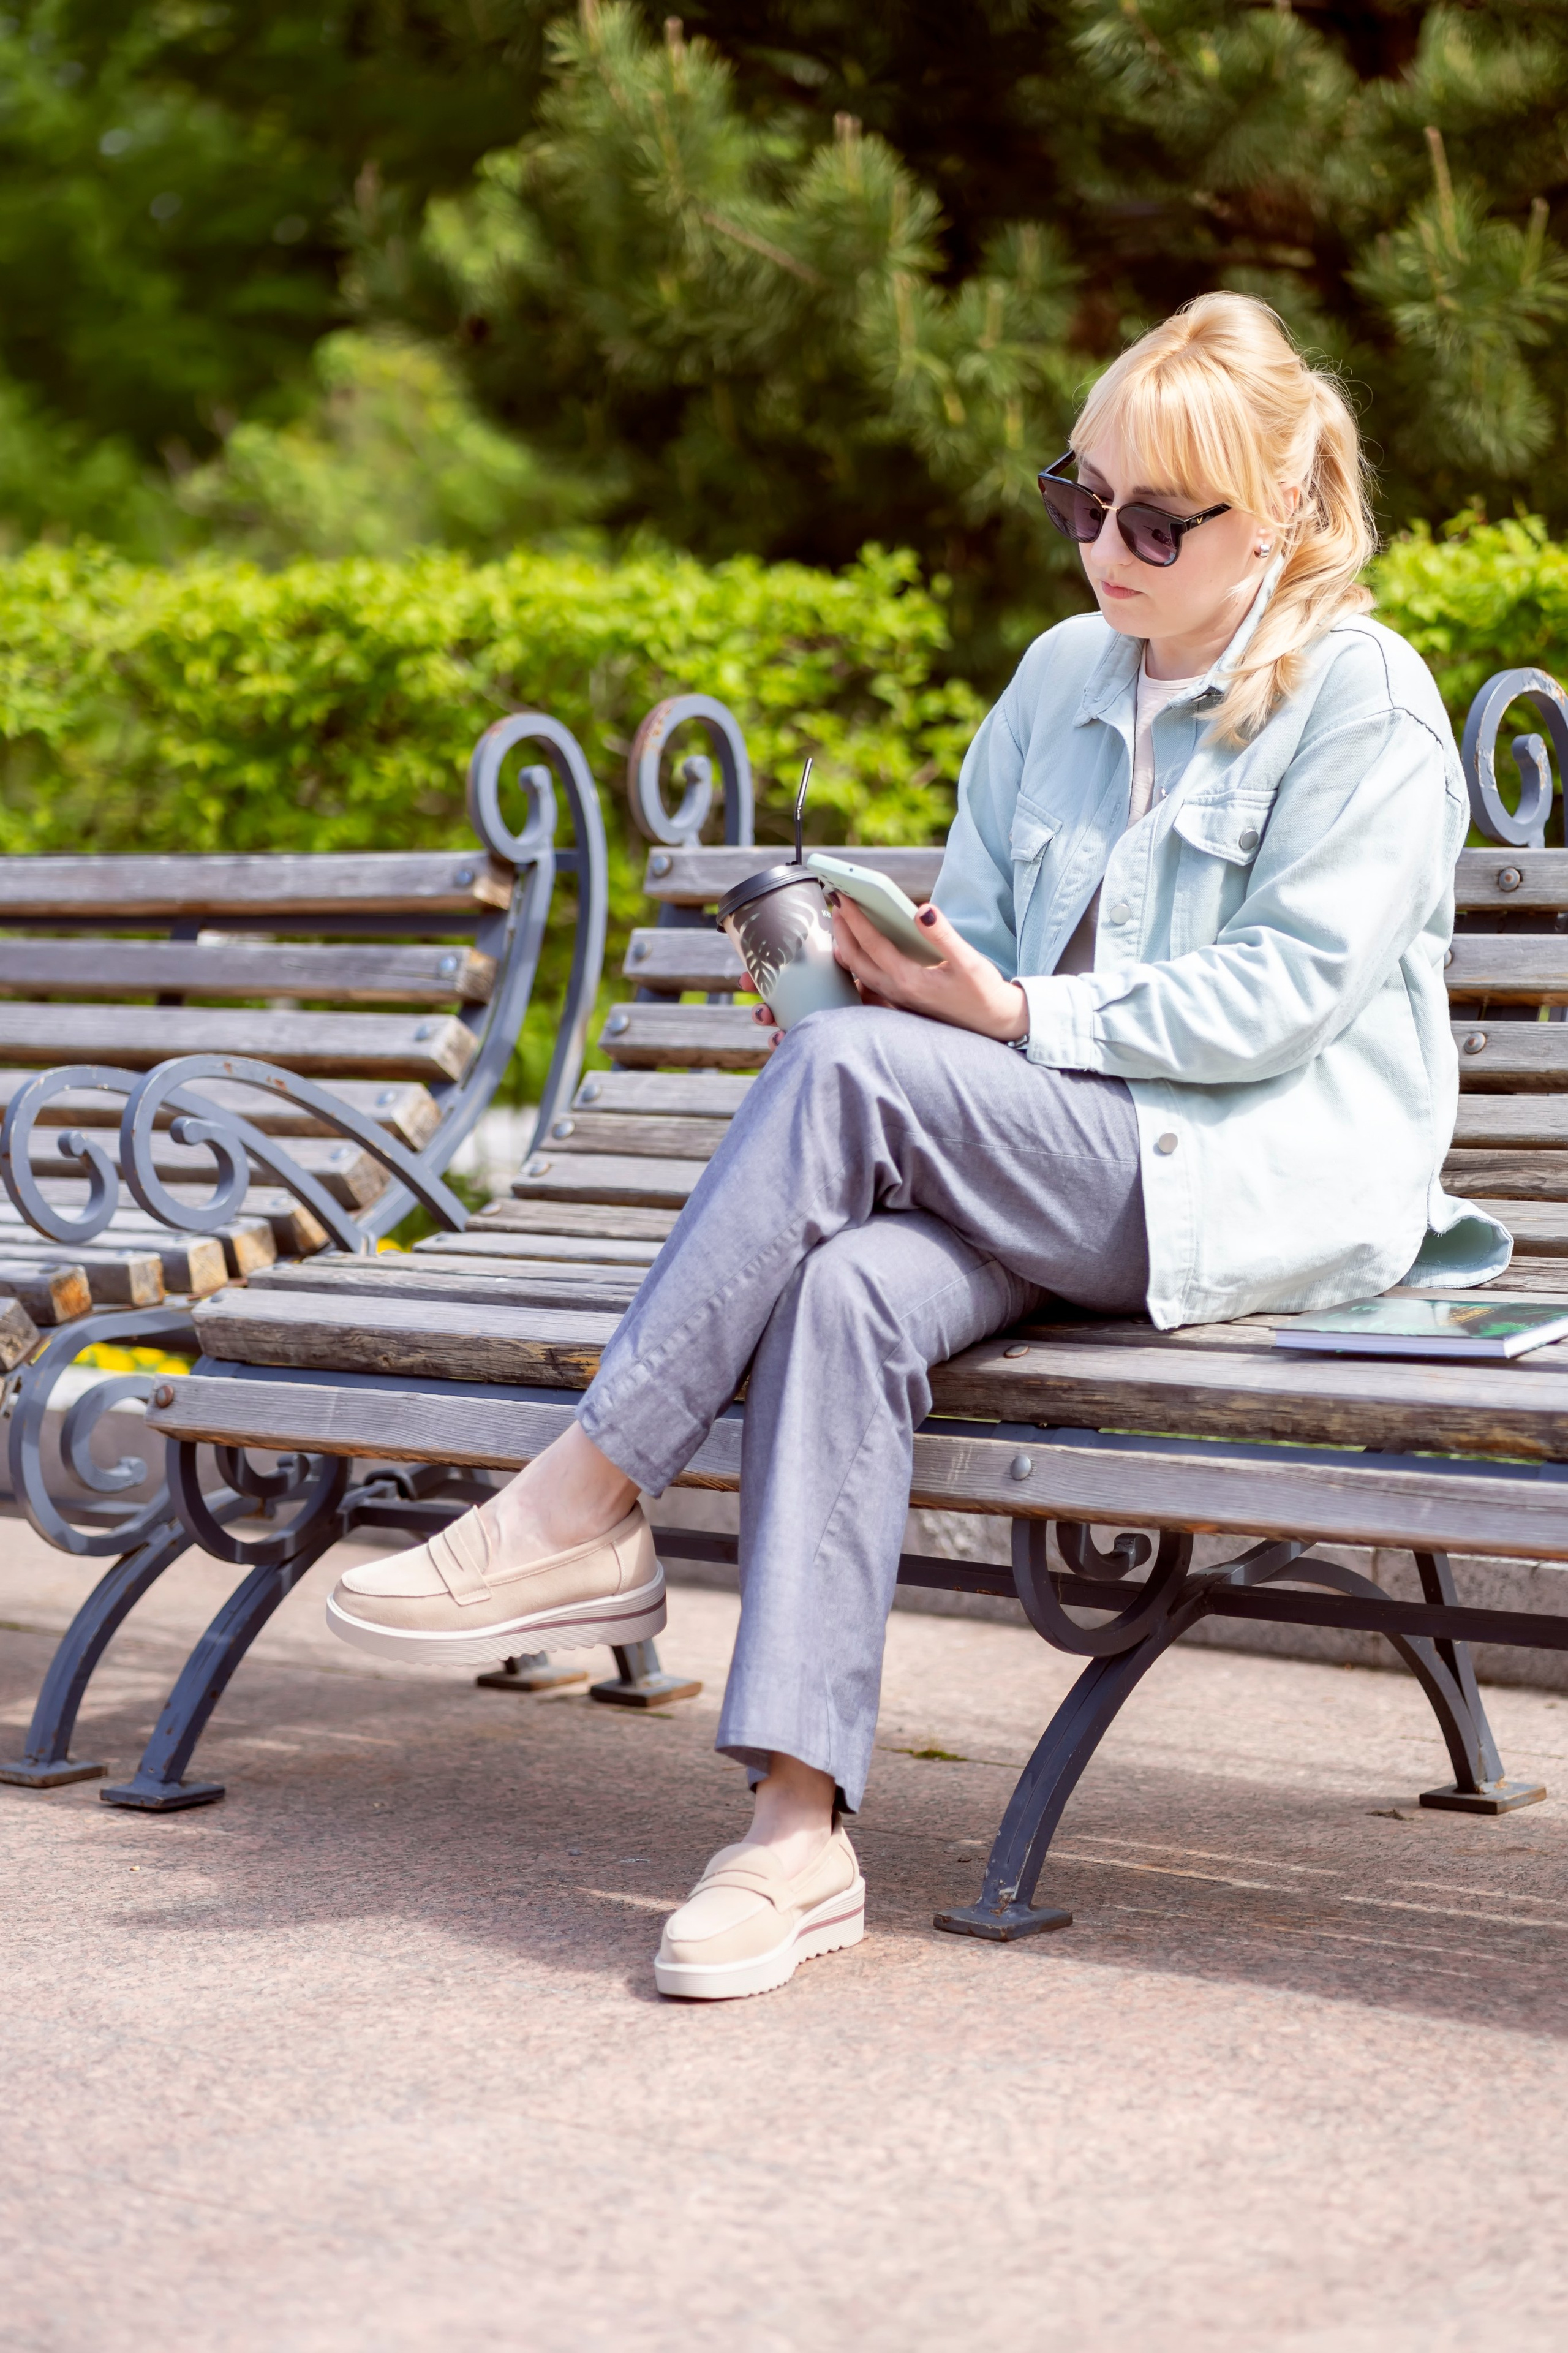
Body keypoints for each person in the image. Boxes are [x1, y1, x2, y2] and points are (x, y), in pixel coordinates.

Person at [324, 292, 1510, 2001]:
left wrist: (1005, 1024)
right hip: (1047, 1160)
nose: (1109, 545)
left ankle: (587, 1496)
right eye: (1080, 499)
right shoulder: (1057, 679)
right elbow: (992, 945)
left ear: (1290, 519)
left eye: (1160, 520)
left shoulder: (1365, 705)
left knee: (859, 1087)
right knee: (851, 1293)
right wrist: (883, 985)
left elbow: (1281, 1002)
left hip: (1231, 1184)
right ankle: (793, 1838)